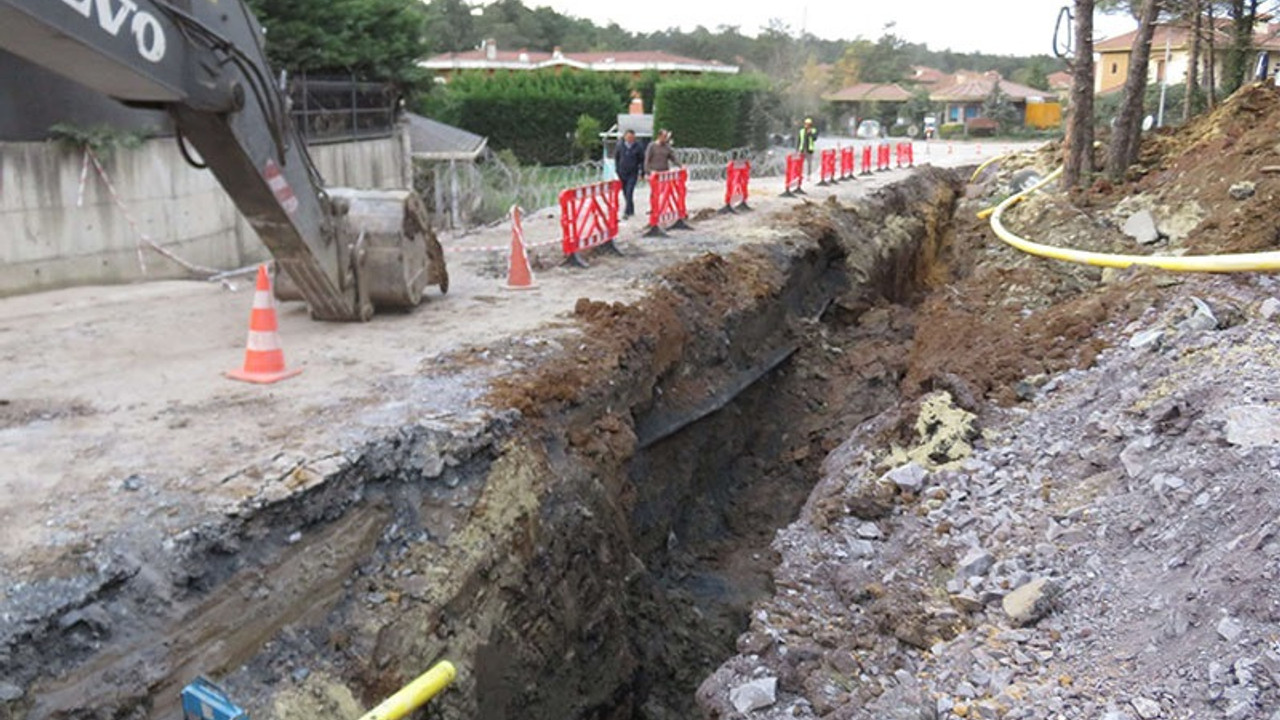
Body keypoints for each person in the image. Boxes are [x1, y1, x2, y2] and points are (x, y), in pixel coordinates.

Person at [614, 129, 645, 219]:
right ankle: (631, 208)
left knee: (629, 191)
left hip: (633, 173)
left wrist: (642, 172)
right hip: (622, 173)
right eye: (628, 137)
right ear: (625, 137)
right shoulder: (620, 146)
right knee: (625, 192)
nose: (630, 139)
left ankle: (626, 212)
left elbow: (642, 160)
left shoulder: (638, 147)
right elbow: (617, 158)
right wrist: (617, 170)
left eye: (632, 137)